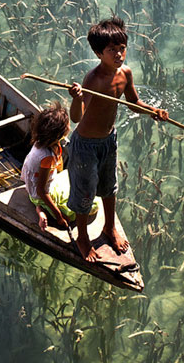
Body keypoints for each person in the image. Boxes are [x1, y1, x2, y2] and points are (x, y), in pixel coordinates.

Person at [67, 16, 169, 263]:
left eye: (122, 48)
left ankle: (109, 228)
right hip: (85, 146)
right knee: (84, 192)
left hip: (108, 141)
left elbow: (133, 103)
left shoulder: (125, 74)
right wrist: (76, 98)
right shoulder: (93, 80)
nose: (119, 54)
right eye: (112, 50)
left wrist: (153, 111)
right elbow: (76, 118)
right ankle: (82, 237)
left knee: (109, 187)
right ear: (98, 53)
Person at [21, 102, 76, 232]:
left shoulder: (42, 142)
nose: (69, 126)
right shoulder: (46, 157)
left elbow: (59, 168)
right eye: (67, 125)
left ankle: (40, 207)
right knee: (75, 212)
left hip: (34, 187)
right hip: (37, 195)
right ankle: (41, 208)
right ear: (59, 133)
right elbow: (41, 190)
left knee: (71, 180)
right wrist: (59, 217)